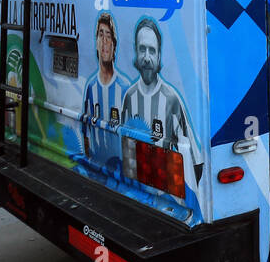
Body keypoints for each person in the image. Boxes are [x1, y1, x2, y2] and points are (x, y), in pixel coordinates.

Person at [121, 16, 204, 206]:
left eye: (152, 50)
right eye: (142, 49)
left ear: (159, 56)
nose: (147, 57)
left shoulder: (171, 100)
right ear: (135, 52)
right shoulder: (129, 97)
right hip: (136, 197)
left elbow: (196, 162)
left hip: (170, 204)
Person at [81, 12, 132, 170]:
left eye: (108, 36)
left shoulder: (124, 88)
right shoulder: (91, 87)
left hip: (119, 171)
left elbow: (130, 137)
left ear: (114, 45)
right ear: (96, 42)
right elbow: (85, 130)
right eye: (100, 35)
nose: (104, 41)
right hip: (95, 169)